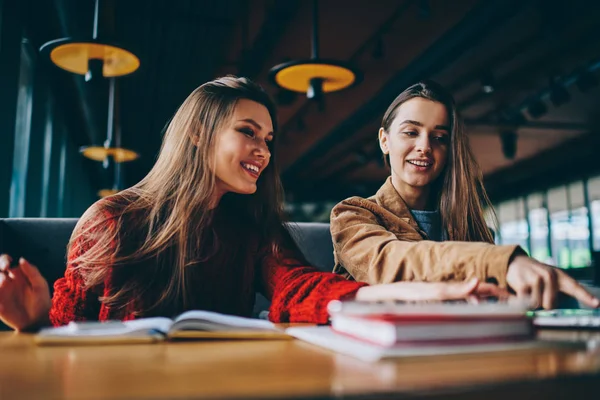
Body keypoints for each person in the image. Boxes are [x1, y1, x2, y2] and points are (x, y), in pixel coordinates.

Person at [0, 76, 508, 332]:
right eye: (248, 133)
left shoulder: (253, 229)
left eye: (269, 138)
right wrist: (35, 318)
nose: (264, 151)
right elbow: (65, 327)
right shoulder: (112, 220)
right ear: (199, 134)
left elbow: (303, 288)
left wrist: (408, 296)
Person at [330, 80, 600, 311]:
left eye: (439, 137)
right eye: (411, 132)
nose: (424, 147)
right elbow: (392, 264)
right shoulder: (352, 215)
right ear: (384, 140)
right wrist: (500, 263)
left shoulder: (466, 220)